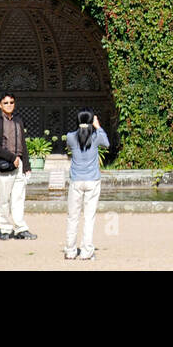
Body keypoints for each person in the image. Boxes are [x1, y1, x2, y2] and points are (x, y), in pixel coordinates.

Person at [0, 92, 36, 240]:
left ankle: (21, 228)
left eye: (12, 102)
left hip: (18, 164)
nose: (9, 105)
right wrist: (11, 157)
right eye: (6, 102)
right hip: (3, 165)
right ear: (0, 105)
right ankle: (5, 229)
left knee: (18, 198)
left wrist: (26, 165)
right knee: (4, 200)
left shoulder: (18, 121)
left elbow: (23, 144)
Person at [64, 109, 109, 260]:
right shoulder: (96, 137)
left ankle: (70, 251)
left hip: (76, 181)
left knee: (73, 217)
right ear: (92, 122)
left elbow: (72, 146)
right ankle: (86, 250)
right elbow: (107, 143)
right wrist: (98, 126)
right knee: (89, 217)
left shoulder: (71, 137)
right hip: (92, 180)